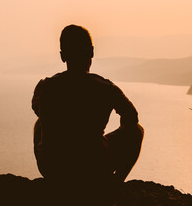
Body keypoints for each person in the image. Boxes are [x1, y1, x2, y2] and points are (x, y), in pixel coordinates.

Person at [31, 25, 144, 197]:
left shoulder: (45, 87)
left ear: (62, 56)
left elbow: (37, 111)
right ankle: (115, 184)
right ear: (91, 52)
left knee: (39, 124)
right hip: (94, 167)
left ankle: (55, 181)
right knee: (137, 131)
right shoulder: (106, 88)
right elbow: (132, 118)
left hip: (53, 167)